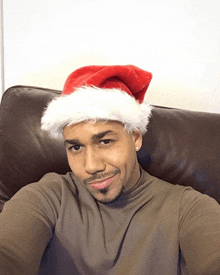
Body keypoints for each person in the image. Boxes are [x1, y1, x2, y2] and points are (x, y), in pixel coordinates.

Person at [0, 65, 220, 275]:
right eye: (76, 147)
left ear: (135, 137)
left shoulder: (188, 209)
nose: (91, 166)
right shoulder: (47, 197)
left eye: (105, 141)